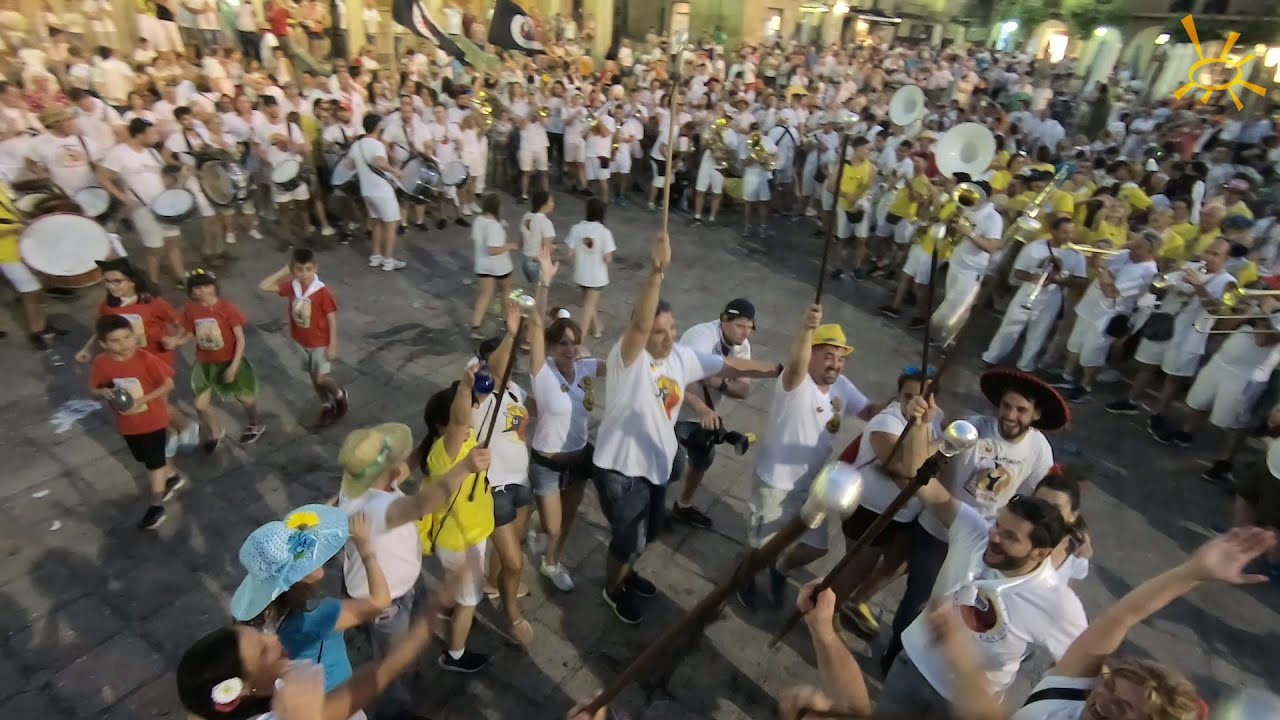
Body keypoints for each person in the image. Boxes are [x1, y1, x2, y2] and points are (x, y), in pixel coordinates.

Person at [591, 232, 782, 624]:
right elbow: (641, 323)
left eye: (672, 328)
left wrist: (779, 370)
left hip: (655, 469)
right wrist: (656, 273)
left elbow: (732, 367)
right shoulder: (628, 358)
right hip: (620, 472)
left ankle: (627, 572)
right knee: (628, 540)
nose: (668, 337)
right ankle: (612, 589)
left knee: (649, 533)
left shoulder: (680, 356)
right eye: (659, 331)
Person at [882, 368, 1063, 673]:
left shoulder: (1039, 450)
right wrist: (919, 426)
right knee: (919, 600)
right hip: (939, 529)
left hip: (986, 544)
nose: (1010, 416)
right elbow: (919, 464)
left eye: (1021, 410)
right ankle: (895, 658)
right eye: (1006, 406)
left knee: (959, 611)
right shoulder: (970, 428)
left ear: (1035, 415)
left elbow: (1037, 502)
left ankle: (934, 668)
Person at [1013, 527, 1275, 720]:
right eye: (1110, 685)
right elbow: (1121, 616)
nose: (1103, 700)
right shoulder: (1064, 695)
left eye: (1123, 708)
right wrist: (1193, 572)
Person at [879, 474, 1086, 716]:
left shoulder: (1056, 604)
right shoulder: (974, 531)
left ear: (1040, 554)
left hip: (964, 705)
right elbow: (923, 480)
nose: (994, 536)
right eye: (998, 525)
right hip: (910, 669)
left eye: (1010, 537)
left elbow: (1083, 669)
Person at [336, 418, 487, 712]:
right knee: (392, 664)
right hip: (386, 600)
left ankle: (406, 672)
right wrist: (466, 467)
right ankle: (394, 710)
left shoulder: (361, 488)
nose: (402, 461)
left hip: (402, 583)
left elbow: (405, 468)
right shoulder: (379, 509)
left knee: (409, 640)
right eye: (396, 458)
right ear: (388, 469)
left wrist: (431, 438)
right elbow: (422, 505)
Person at [744, 306, 877, 609]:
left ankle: (781, 568)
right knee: (760, 546)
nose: (836, 365)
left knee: (815, 548)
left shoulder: (842, 386)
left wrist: (904, 407)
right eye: (828, 356)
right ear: (812, 354)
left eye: (841, 359)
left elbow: (870, 411)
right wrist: (806, 329)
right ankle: (745, 579)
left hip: (815, 486)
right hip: (776, 484)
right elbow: (794, 364)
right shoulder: (795, 382)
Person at [230, 505, 390, 700]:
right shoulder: (319, 616)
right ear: (301, 576)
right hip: (332, 697)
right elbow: (380, 602)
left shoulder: (254, 625)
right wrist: (366, 550)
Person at [828, 368, 941, 635]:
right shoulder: (886, 423)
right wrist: (939, 446)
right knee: (855, 569)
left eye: (923, 397)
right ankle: (826, 613)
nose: (915, 403)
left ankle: (857, 601)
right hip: (870, 510)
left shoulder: (935, 417)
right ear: (898, 395)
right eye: (908, 396)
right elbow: (904, 471)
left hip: (905, 515)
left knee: (898, 563)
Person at [527, 253, 604, 593]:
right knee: (553, 527)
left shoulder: (586, 368)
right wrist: (544, 281)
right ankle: (538, 526)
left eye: (575, 342)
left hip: (579, 456)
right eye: (563, 343)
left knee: (568, 521)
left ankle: (551, 563)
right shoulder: (542, 374)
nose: (571, 349)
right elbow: (533, 326)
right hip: (547, 462)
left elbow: (623, 362)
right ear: (552, 346)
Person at [416, 373, 498, 673]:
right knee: (470, 600)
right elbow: (461, 421)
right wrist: (464, 389)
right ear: (442, 427)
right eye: (458, 420)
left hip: (469, 535)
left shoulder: (464, 439)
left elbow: (476, 404)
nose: (469, 422)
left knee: (462, 591)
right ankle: (455, 654)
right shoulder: (445, 453)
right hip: (461, 543)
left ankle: (454, 607)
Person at [88, 315, 185, 530]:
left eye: (127, 337)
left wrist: (141, 400)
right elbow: (94, 390)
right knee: (142, 457)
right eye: (116, 340)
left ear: (134, 336)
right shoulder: (102, 363)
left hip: (153, 420)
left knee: (153, 461)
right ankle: (172, 475)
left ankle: (156, 505)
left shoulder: (145, 359)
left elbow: (167, 385)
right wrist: (102, 391)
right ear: (103, 344)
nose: (124, 344)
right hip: (127, 423)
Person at [671, 298, 758, 530]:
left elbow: (744, 389)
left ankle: (683, 506)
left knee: (703, 457)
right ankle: (648, 504)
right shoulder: (700, 338)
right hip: (672, 407)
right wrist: (702, 406)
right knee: (672, 466)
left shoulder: (743, 347)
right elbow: (680, 381)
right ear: (724, 319)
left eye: (750, 327)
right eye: (741, 326)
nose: (745, 333)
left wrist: (717, 382)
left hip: (701, 414)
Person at [981, 217, 1089, 372]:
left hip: (1052, 298)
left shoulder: (1076, 255)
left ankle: (1025, 366)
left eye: (1071, 233)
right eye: (1064, 232)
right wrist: (1032, 277)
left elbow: (1081, 281)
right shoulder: (1034, 247)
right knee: (1009, 328)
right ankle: (991, 358)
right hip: (1028, 291)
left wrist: (1059, 280)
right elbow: (1018, 272)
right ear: (1053, 231)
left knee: (1039, 333)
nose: (1068, 236)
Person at [257, 248, 349, 428]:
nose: (304, 274)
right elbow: (264, 286)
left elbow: (331, 318)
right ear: (293, 269)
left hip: (320, 342)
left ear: (315, 268)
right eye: (299, 269)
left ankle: (339, 395)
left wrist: (333, 345)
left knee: (322, 378)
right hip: (301, 340)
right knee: (314, 379)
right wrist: (284, 271)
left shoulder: (322, 292)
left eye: (308, 269)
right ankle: (326, 404)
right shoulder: (293, 287)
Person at [179, 268, 266, 448]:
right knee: (200, 405)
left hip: (229, 360)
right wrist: (174, 341)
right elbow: (189, 332)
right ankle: (216, 431)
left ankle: (255, 423)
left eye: (206, 286)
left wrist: (233, 367)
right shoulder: (191, 309)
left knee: (244, 398)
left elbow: (240, 339)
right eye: (197, 288)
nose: (202, 292)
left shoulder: (227, 309)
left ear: (214, 287)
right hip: (205, 363)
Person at [98, 118, 188, 287]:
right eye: (152, 133)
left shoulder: (152, 152)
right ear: (139, 134)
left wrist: (177, 180)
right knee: (154, 248)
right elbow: (103, 178)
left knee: (173, 241)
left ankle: (180, 276)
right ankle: (153, 283)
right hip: (142, 208)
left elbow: (162, 177)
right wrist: (123, 198)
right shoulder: (119, 153)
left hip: (164, 205)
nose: (156, 135)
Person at [349, 112, 406, 271]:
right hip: (382, 191)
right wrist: (396, 172)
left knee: (376, 224)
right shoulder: (377, 145)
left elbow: (349, 165)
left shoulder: (357, 145)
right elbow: (379, 162)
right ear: (378, 127)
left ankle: (376, 256)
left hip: (366, 190)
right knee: (391, 225)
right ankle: (389, 260)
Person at [563, 196, 616, 340]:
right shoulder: (605, 232)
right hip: (597, 277)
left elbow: (569, 253)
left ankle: (597, 328)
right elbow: (608, 258)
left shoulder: (576, 229)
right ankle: (579, 340)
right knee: (588, 307)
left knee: (589, 303)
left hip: (581, 274)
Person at [469, 192, 517, 340]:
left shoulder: (479, 220)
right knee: (505, 292)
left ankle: (475, 326)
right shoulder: (494, 226)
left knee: (485, 294)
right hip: (499, 266)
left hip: (482, 265)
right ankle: (508, 322)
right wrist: (510, 246)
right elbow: (493, 250)